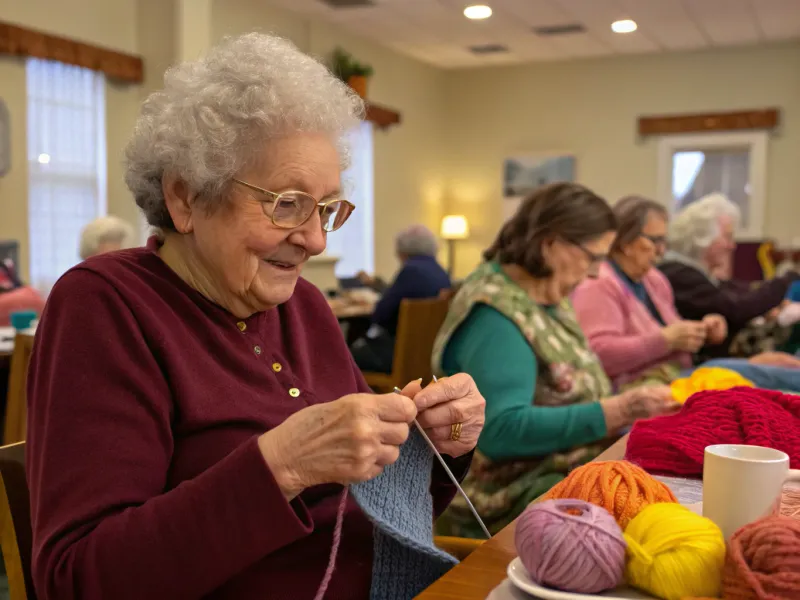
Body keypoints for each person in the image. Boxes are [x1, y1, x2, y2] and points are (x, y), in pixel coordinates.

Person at [26, 33, 486, 600]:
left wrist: (437, 448)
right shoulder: (106, 305)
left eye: (326, 208)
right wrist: (281, 465)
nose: (316, 239)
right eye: (286, 203)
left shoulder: (305, 305)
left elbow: (371, 517)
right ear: (186, 199)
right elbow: (76, 580)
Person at [430, 183, 677, 538]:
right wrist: (617, 410)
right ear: (550, 244)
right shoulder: (495, 315)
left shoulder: (546, 291)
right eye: (593, 258)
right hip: (511, 497)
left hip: (567, 468)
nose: (595, 273)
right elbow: (499, 432)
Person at [574, 196, 800, 392]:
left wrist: (703, 330)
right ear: (625, 242)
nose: (662, 250)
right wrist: (666, 340)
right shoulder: (600, 283)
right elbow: (600, 355)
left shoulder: (653, 279)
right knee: (772, 376)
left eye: (663, 240)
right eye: (655, 241)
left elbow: (673, 334)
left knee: (776, 371)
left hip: (678, 374)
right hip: (645, 386)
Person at [660, 193, 798, 357]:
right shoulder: (678, 273)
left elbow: (737, 290)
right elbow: (737, 308)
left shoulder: (694, 273)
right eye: (727, 237)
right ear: (703, 238)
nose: (732, 246)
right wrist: (790, 278)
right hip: (703, 365)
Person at [351, 225, 451, 373]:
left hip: (400, 354)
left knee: (347, 354)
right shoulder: (441, 272)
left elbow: (380, 315)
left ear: (403, 252)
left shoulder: (410, 271)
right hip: (428, 355)